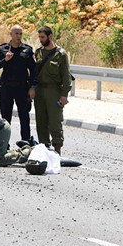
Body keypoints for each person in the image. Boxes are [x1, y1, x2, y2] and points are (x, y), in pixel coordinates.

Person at [0, 25, 37, 148]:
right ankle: (3, 145)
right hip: (6, 88)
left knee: (24, 117)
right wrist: (5, 60)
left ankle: (26, 145)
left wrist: (33, 87)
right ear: (11, 34)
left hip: (22, 89)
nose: (19, 36)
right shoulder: (3, 49)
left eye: (20, 34)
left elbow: (34, 70)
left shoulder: (27, 50)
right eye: (16, 33)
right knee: (5, 118)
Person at [33, 26, 72, 155]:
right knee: (41, 121)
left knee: (55, 121)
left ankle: (57, 149)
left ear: (50, 37)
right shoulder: (38, 53)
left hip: (53, 91)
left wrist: (64, 95)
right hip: (40, 91)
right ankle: (44, 148)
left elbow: (66, 76)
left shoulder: (60, 54)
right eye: (39, 37)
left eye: (43, 37)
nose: (40, 40)